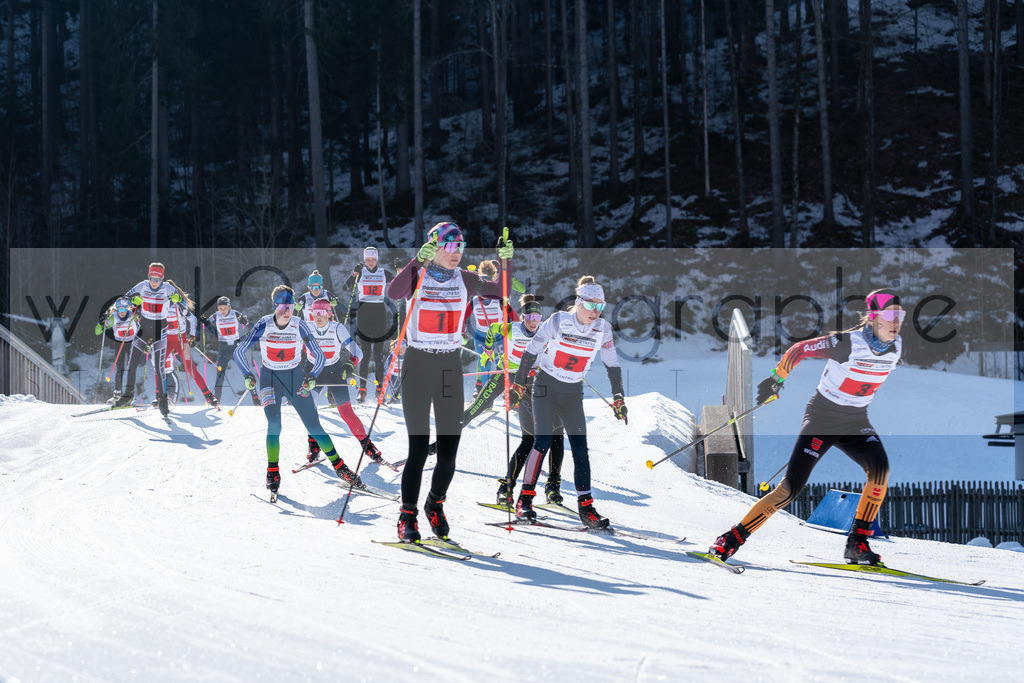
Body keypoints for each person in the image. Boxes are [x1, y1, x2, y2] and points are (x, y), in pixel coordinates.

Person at [709, 289, 905, 566]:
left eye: (900, 316)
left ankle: (857, 544)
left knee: (880, 470)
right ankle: (730, 540)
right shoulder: (845, 343)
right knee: (789, 489)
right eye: (889, 315)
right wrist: (776, 379)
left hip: (856, 421)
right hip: (824, 417)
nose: (896, 322)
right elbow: (798, 350)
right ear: (873, 319)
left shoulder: (897, 348)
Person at [387, 221, 514, 542]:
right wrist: (418, 261)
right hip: (417, 363)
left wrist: (506, 262)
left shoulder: (466, 279)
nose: (456, 252)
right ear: (435, 247)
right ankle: (407, 517)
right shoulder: (417, 275)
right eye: (449, 246)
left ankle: (435, 504)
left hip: (448, 366)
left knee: (448, 452)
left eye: (460, 246)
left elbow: (503, 291)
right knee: (417, 449)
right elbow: (393, 292)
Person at [510, 276, 628, 529]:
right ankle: (525, 501)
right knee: (542, 440)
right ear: (579, 302)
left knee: (581, 448)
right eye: (591, 305)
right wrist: (519, 384)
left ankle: (586, 508)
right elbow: (531, 351)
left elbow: (612, 365)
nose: (595, 312)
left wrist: (618, 397)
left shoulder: (603, 329)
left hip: (572, 391)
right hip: (545, 386)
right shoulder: (558, 321)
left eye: (600, 306)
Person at [233, 285, 364, 496]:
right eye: (283, 306)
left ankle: (340, 467)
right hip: (270, 380)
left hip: (296, 379)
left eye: (291, 305)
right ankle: (272, 471)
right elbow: (239, 350)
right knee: (274, 424)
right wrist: (248, 374)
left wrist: (312, 376)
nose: (288, 310)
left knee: (313, 425)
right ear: (275, 305)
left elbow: (319, 355)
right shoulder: (264, 324)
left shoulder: (299, 324)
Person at [461, 293, 567, 505]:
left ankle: (552, 487)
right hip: (507, 371)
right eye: (529, 317)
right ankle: (448, 433)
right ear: (522, 317)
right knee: (480, 404)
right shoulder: (511, 328)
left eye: (537, 317)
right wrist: (488, 349)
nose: (533, 321)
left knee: (554, 433)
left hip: (531, 381)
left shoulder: (547, 333)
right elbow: (491, 330)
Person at [303, 297, 388, 466]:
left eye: (322, 312)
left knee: (346, 412)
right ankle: (313, 447)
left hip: (334, 371)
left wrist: (351, 363)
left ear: (329, 314)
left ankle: (368, 446)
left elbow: (357, 351)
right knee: (310, 410)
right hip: (313, 371)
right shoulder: (306, 327)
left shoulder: (336, 328)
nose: (318, 316)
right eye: (314, 312)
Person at [343, 247, 397, 403]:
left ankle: (380, 389)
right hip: (364, 313)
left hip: (379, 313)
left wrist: (399, 270)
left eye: (373, 260)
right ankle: (362, 390)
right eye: (368, 260)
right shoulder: (360, 272)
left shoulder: (383, 272)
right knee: (365, 355)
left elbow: (399, 284)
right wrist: (354, 273)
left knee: (379, 355)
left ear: (377, 260)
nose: (371, 262)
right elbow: (346, 287)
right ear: (365, 260)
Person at [123, 263, 177, 416]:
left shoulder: (167, 287)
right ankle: (127, 395)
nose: (154, 282)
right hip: (143, 327)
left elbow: (183, 301)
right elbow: (124, 299)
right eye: (151, 278)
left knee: (160, 368)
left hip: (160, 329)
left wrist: (176, 298)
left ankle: (162, 400)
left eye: (157, 279)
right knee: (132, 362)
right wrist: (133, 302)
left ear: (162, 278)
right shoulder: (142, 285)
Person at [466, 260, 518, 398]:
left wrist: (519, 332)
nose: (484, 292)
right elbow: (462, 316)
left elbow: (514, 317)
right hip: (481, 337)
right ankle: (485, 398)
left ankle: (508, 393)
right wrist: (458, 332)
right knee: (485, 365)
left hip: (499, 336)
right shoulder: (474, 301)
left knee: (503, 364)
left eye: (487, 288)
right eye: (481, 289)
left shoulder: (499, 300)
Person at [160, 288, 218, 407]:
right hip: (167, 340)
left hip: (181, 340)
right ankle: (160, 397)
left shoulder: (180, 305)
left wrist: (192, 336)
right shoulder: (161, 305)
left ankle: (208, 395)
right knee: (159, 366)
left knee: (190, 369)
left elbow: (193, 320)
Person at [94, 297, 142, 405]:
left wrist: (132, 300)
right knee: (120, 368)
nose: (121, 312)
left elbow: (140, 302)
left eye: (123, 309)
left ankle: (130, 394)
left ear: (127, 308)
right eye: (119, 310)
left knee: (131, 368)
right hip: (120, 344)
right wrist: (101, 324)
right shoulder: (113, 318)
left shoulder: (132, 315)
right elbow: (97, 332)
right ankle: (117, 394)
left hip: (132, 344)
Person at [211, 296, 249, 403]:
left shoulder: (234, 313)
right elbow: (206, 322)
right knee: (219, 375)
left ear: (229, 307)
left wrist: (244, 320)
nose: (222, 311)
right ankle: (216, 401)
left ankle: (255, 398)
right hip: (223, 348)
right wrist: (204, 321)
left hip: (236, 347)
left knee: (247, 372)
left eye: (225, 308)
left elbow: (246, 322)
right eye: (220, 308)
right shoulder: (216, 315)